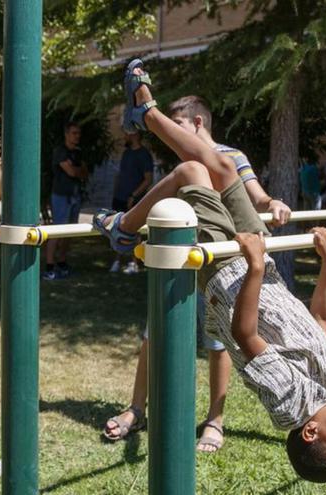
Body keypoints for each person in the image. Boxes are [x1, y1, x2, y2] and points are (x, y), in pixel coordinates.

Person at [96, 59, 326, 481]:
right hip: (259, 268)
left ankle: (124, 228)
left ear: (311, 432)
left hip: (230, 278)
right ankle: (146, 115)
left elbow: (245, 335)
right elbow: (322, 321)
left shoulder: (290, 404)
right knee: (219, 166)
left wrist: (254, 266)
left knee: (190, 172)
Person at [102, 91, 292, 452]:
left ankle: (214, 420)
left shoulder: (231, 157)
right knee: (153, 333)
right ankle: (136, 409)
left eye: (178, 126)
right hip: (177, 260)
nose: (173, 136)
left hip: (219, 265)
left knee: (218, 342)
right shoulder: (181, 162)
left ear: (198, 123)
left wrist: (273, 202)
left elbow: (255, 195)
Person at [43, 122, 87, 281]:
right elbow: (73, 172)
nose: (77, 136)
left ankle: (61, 263)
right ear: (66, 134)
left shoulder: (78, 152)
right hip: (61, 195)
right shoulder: (60, 152)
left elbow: (83, 173)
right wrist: (76, 170)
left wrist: (76, 170)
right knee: (57, 230)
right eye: (74, 133)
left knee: (70, 232)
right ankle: (49, 268)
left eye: (78, 133)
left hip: (75, 195)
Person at [110, 131, 153, 274]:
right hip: (119, 197)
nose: (124, 136)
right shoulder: (126, 153)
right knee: (116, 229)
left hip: (135, 200)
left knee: (134, 231)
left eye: (127, 133)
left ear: (135, 135)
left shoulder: (144, 154)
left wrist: (133, 196)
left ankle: (133, 263)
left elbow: (148, 179)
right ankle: (117, 261)